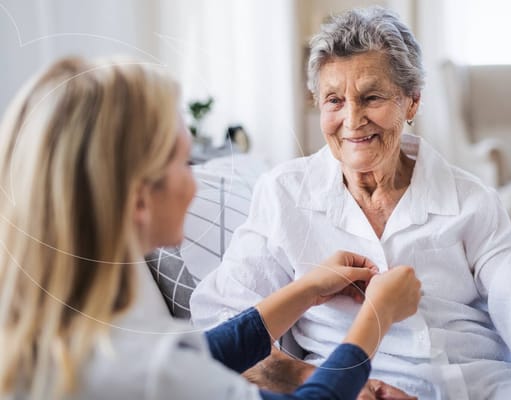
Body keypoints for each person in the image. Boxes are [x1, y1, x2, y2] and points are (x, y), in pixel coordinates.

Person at [0, 56, 422, 400]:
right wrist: (376, 317)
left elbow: (205, 353)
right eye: (185, 161)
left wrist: (306, 290)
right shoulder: (147, 374)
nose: (195, 180)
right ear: (140, 198)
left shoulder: (63, 341)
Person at [190, 6, 511, 400]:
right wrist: (318, 377)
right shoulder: (284, 194)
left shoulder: (472, 200)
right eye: (334, 100)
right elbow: (223, 326)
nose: (352, 119)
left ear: (412, 102)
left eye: (371, 97)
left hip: (481, 388)